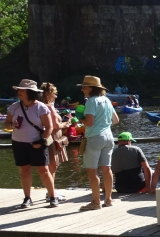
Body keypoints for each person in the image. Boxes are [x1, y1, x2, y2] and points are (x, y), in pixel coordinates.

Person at [4, 79, 60, 208]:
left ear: (30, 92)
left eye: (22, 90)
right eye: (19, 90)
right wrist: (11, 125)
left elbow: (49, 127)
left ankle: (52, 196)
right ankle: (27, 198)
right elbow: (6, 124)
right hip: (19, 143)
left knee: (44, 171)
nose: (19, 92)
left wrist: (41, 141)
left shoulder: (41, 107)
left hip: (36, 143)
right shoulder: (14, 107)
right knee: (24, 170)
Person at [78, 75, 119, 211]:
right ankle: (109, 200)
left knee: (92, 170)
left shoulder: (91, 101)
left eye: (84, 87)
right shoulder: (107, 100)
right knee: (106, 169)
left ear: (91, 88)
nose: (82, 89)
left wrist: (80, 119)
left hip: (95, 137)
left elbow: (89, 122)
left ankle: (96, 202)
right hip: (109, 137)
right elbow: (116, 120)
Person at [39, 83, 69, 198]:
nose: (56, 96)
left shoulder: (41, 105)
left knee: (52, 165)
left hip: (50, 136)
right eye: (54, 94)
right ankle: (50, 192)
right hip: (53, 137)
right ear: (47, 94)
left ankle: (51, 191)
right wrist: (65, 124)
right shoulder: (49, 107)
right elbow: (55, 125)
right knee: (53, 165)